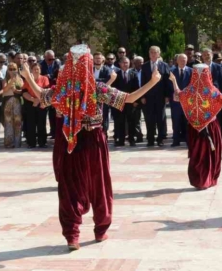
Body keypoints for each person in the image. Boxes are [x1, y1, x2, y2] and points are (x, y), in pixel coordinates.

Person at [20, 44, 162, 251]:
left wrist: (27, 77)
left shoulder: (64, 88)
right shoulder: (96, 87)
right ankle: (99, 230)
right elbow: (129, 98)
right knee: (99, 185)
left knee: (70, 187)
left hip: (72, 139)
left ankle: (72, 235)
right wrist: (152, 82)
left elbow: (42, 95)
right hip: (92, 140)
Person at [169, 64, 222, 190]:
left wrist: (174, 81)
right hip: (210, 127)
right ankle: (207, 179)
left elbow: (177, 96)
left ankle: (199, 180)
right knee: (208, 155)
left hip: (194, 128)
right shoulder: (212, 91)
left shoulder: (189, 90)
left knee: (197, 155)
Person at [141, 46, 171, 147]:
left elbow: (167, 82)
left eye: (155, 52)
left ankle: (160, 139)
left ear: (159, 54)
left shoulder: (164, 65)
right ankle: (150, 139)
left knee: (160, 118)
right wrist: (143, 96)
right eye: (151, 52)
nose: (153, 54)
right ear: (149, 54)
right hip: (148, 96)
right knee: (149, 118)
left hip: (160, 96)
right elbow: (143, 82)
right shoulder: (144, 66)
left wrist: (167, 95)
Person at [23, 62, 50, 148]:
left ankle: (42, 142)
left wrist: (38, 100)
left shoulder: (44, 78)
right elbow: (24, 92)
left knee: (41, 123)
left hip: (42, 103)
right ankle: (31, 142)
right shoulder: (28, 79)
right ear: (31, 70)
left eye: (37, 69)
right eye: (34, 69)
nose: (36, 71)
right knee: (31, 123)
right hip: (30, 103)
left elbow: (46, 91)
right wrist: (32, 100)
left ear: (40, 70)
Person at [116, 57, 140, 146]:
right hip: (119, 101)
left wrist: (136, 100)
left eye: (127, 63)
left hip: (131, 101)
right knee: (120, 121)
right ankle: (121, 140)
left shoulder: (133, 74)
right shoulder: (116, 74)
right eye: (123, 63)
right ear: (120, 64)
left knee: (132, 121)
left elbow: (136, 87)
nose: (125, 64)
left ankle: (131, 139)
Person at [170, 54, 192, 147]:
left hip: (187, 101)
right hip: (175, 101)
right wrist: (172, 94)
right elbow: (168, 85)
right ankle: (176, 140)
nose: (183, 62)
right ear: (177, 61)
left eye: (185, 60)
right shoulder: (171, 71)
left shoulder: (191, 71)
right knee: (176, 121)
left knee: (187, 121)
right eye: (181, 60)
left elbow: (193, 85)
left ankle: (188, 140)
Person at [1, 63, 24, 148]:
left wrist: (16, 90)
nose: (12, 71)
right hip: (7, 101)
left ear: (17, 69)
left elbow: (22, 91)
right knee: (8, 122)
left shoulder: (20, 79)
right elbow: (4, 89)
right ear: (7, 70)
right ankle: (9, 143)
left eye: (14, 69)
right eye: (10, 69)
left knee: (18, 122)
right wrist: (12, 81)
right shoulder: (5, 79)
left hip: (17, 101)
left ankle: (17, 142)